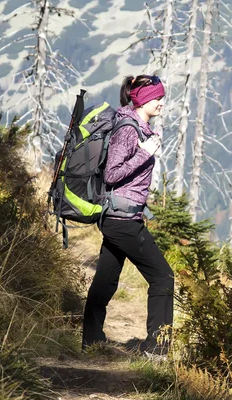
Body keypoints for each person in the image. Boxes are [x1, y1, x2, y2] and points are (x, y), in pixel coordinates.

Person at [81, 75, 174, 356]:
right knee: (163, 278)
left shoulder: (140, 128)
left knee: (106, 279)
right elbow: (112, 174)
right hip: (121, 221)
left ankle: (91, 341)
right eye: (157, 98)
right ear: (143, 99)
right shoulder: (127, 130)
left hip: (122, 217)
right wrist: (144, 153)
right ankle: (156, 349)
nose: (161, 103)